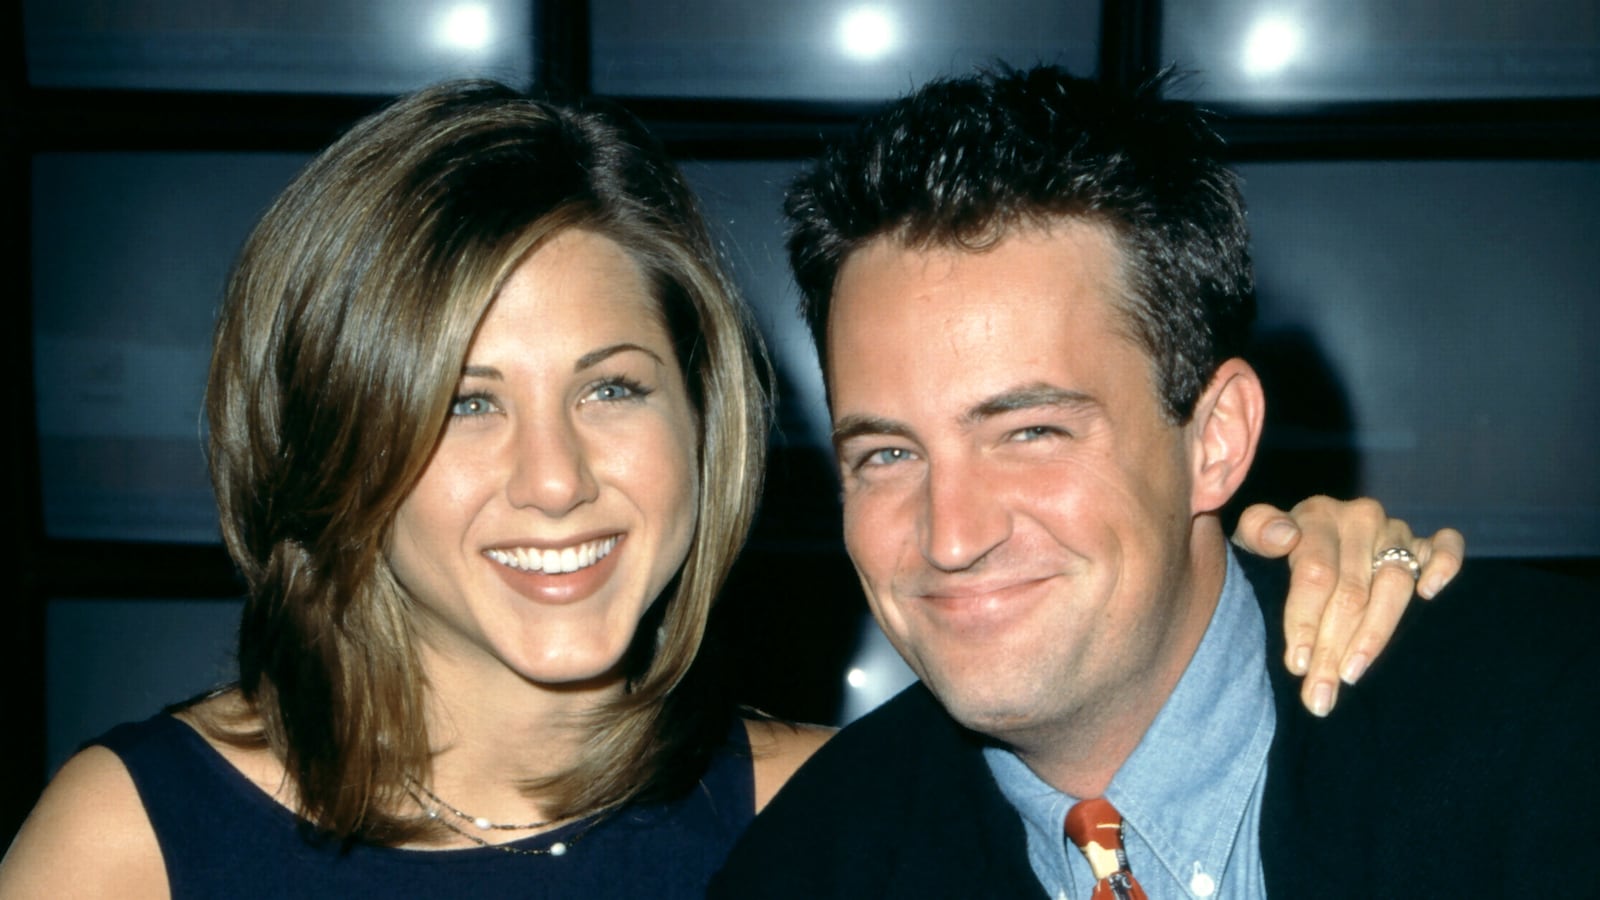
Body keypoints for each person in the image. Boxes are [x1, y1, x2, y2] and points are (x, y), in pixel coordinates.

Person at [1, 80, 1456, 899]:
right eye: (463, 403)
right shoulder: (129, 846)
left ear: (710, 424)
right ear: (336, 441)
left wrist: (1301, 566)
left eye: (614, 387)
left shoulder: (836, 822)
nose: (556, 478)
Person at [710, 66, 1596, 898]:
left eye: (1030, 432)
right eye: (888, 455)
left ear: (1215, 439)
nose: (950, 536)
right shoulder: (808, 867)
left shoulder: (1548, 739)